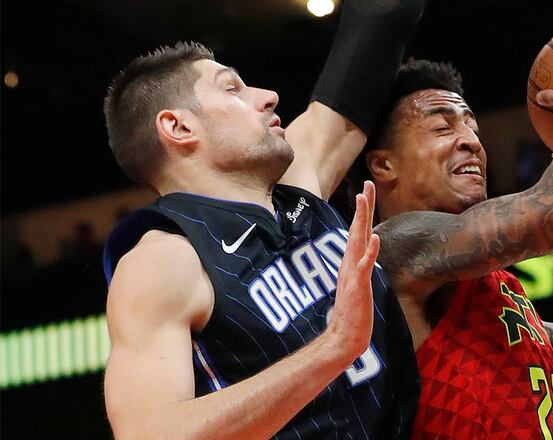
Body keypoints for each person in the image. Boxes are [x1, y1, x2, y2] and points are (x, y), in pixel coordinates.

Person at [100, 1, 424, 438]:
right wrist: (333, 347)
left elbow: (380, 25)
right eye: (232, 89)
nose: (267, 96)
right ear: (178, 128)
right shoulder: (164, 261)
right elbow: (148, 433)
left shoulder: (298, 184)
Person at [359, 15, 553, 438]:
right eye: (442, 126)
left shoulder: (513, 321)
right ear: (383, 164)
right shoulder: (391, 253)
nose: (470, 140)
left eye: (472, 125)